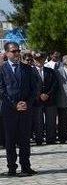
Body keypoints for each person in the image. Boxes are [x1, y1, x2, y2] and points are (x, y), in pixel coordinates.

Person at [0, 42, 39, 176]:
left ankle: (26, 166)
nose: (17, 53)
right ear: (6, 53)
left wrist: (27, 103)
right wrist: (14, 104)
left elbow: (34, 89)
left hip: (26, 109)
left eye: (18, 51)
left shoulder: (27, 69)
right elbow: (2, 90)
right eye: (13, 51)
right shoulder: (2, 69)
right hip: (9, 110)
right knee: (10, 140)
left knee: (24, 139)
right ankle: (12, 167)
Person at [32, 52, 60, 145]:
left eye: (41, 59)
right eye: (37, 59)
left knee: (51, 121)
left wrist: (48, 94)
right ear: (34, 60)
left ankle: (50, 139)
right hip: (37, 101)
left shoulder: (50, 71)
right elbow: (30, 85)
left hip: (49, 100)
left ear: (44, 60)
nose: (39, 61)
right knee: (38, 121)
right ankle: (39, 139)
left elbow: (55, 85)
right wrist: (39, 95)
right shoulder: (30, 71)